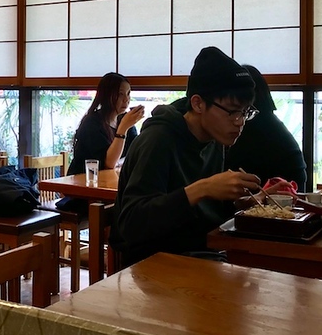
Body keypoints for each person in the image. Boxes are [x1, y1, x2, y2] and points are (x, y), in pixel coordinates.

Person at [110, 46, 293, 267]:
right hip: (152, 265)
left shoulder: (214, 140)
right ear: (198, 103)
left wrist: (250, 202)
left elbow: (204, 213)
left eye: (245, 112)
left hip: (201, 253)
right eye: (232, 111)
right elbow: (132, 225)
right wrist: (203, 188)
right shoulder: (158, 140)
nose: (240, 122)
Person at [58, 73, 145, 213]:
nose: (126, 99)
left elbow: (135, 155)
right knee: (124, 209)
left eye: (128, 93)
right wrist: (123, 129)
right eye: (120, 94)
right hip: (83, 190)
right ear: (107, 95)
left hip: (106, 187)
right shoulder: (92, 123)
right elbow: (109, 163)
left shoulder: (123, 120)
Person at [225, 65, 307, 189]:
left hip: (280, 194)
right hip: (295, 191)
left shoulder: (252, 125)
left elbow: (230, 175)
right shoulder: (271, 122)